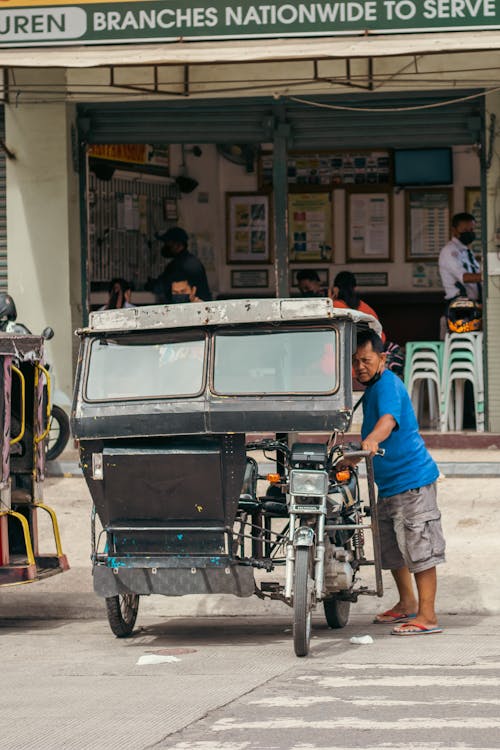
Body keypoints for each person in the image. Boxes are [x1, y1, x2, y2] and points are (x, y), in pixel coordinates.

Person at [352, 329, 445, 636]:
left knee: (419, 548)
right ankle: (407, 602)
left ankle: (427, 616)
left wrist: (370, 441)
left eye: (365, 360)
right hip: (390, 485)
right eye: (354, 362)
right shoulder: (373, 389)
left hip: (412, 481)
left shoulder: (389, 383)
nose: (360, 367)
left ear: (382, 358)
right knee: (391, 549)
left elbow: (388, 422)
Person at [147, 226, 211, 303]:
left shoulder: (178, 265)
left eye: (169, 243)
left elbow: (160, 287)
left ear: (178, 245)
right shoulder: (193, 261)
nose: (166, 246)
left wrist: (148, 285)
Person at [438, 212, 482, 304]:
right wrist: (489, 276)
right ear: (454, 230)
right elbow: (464, 277)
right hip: (460, 304)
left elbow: (476, 274)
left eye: (471, 230)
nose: (469, 233)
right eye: (465, 230)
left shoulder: (465, 251)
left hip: (474, 303)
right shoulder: (449, 251)